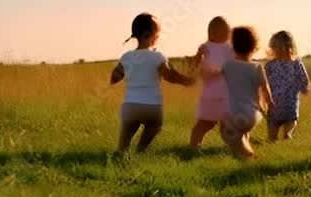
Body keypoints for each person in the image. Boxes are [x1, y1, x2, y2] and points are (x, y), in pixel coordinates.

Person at [110, 13, 195, 153]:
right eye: (158, 33)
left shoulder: (127, 57)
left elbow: (114, 78)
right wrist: (187, 81)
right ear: (149, 35)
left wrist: (120, 73)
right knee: (154, 126)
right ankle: (140, 150)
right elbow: (170, 76)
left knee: (128, 129)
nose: (158, 37)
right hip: (152, 107)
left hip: (131, 107)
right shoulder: (157, 57)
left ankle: (122, 150)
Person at [202, 26, 274, 159]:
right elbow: (265, 89)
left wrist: (204, 66)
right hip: (254, 115)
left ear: (233, 46)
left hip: (234, 114)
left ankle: (247, 154)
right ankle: (244, 156)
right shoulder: (257, 67)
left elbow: (212, 74)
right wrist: (269, 103)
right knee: (242, 134)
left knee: (226, 133)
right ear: (254, 46)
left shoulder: (228, 65)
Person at [190, 16, 235, 149]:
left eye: (228, 32)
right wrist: (199, 56)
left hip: (227, 93)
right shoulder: (206, 47)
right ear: (213, 33)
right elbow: (196, 64)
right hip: (211, 94)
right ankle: (194, 145)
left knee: (228, 123)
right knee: (205, 123)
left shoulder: (229, 48)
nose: (228, 35)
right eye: (225, 32)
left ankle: (234, 145)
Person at [264, 30, 311, 141]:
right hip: (290, 103)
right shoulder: (296, 63)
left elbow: (264, 82)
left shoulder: (270, 65)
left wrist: (263, 99)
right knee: (291, 121)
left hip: (274, 104)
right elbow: (304, 80)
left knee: (272, 128)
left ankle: (272, 139)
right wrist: (305, 89)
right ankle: (288, 133)